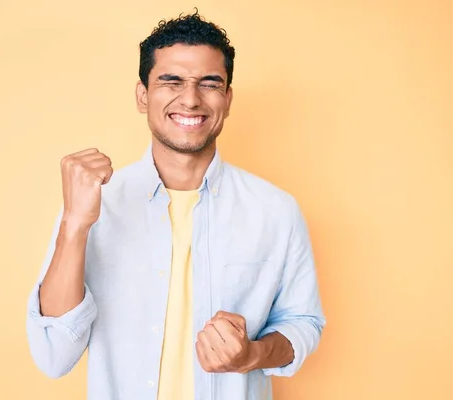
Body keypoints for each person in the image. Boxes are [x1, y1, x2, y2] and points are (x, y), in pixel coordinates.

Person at [26, 10, 325, 400]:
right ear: (142, 95)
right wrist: (74, 223)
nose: (190, 99)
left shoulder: (276, 211)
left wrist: (253, 354)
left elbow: (303, 322)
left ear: (228, 98)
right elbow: (54, 355)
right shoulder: (93, 203)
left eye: (210, 83)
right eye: (171, 81)